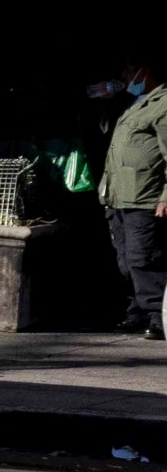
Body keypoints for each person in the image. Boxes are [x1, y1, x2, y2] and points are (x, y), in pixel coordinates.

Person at [102, 53, 167, 337]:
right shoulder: (132, 104)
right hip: (119, 194)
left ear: (145, 72)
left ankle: (157, 315)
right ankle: (137, 310)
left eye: (129, 71)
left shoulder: (163, 104)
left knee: (144, 258)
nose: (125, 78)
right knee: (125, 260)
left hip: (144, 196)